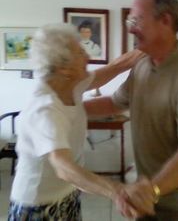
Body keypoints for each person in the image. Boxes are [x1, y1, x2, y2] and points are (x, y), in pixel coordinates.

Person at [84, 0, 178, 221]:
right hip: (151, 190)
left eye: (136, 19)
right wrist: (68, 110)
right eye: (130, 20)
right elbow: (116, 103)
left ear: (165, 21)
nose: (131, 27)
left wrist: (150, 190)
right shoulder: (142, 65)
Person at [8, 23, 156, 220]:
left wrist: (150, 44)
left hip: (66, 194)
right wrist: (118, 191)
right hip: (37, 205)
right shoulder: (45, 109)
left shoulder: (70, 83)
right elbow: (63, 167)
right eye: (81, 53)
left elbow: (117, 66)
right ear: (64, 68)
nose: (88, 57)